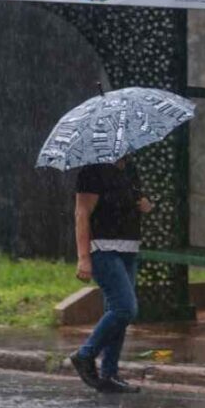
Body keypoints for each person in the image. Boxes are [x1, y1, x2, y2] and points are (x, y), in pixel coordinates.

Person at [69, 156, 153, 393]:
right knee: (125, 308)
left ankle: (109, 374)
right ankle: (85, 354)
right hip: (102, 249)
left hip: (128, 248)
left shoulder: (130, 169)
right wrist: (83, 258)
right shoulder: (93, 171)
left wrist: (145, 204)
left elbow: (138, 199)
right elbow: (81, 214)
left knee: (117, 314)